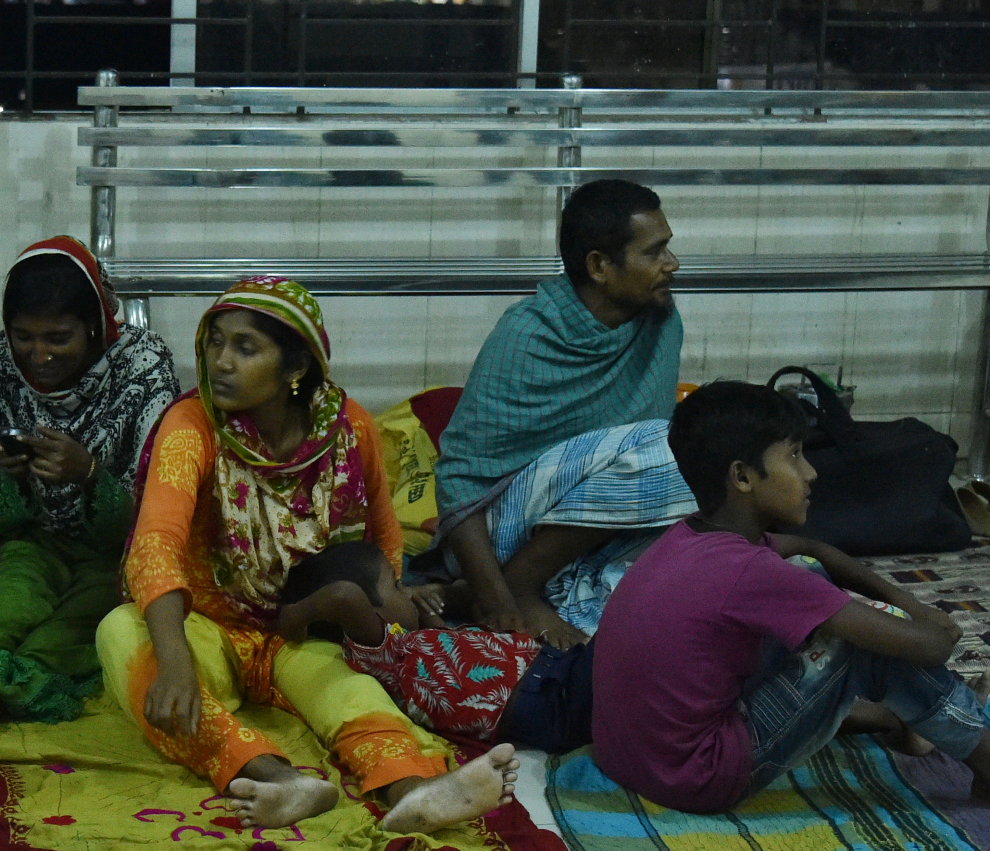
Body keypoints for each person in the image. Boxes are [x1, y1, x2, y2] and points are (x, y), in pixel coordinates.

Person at [96, 276, 520, 833]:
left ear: (296, 367)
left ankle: (417, 790)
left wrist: (367, 613)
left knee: (349, 692)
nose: (221, 362)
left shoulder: (350, 430)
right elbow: (156, 544)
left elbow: (383, 538)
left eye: (246, 348)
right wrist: (175, 660)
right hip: (204, 627)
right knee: (122, 635)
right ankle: (275, 779)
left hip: (298, 627)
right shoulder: (191, 424)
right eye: (215, 342)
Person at [591, 381, 990, 814]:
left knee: (812, 584)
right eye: (795, 455)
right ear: (742, 476)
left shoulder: (689, 537)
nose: (812, 472)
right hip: (700, 777)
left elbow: (813, 550)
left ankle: (902, 718)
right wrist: (931, 627)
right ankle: (982, 754)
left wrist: (912, 606)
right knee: (860, 641)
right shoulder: (750, 570)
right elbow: (929, 649)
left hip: (629, 760)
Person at [0, 236, 179, 731]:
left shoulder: (142, 367)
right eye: (22, 336)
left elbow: (162, 504)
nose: (38, 355)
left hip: (113, 558)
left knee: (60, 642)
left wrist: (88, 474)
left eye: (58, 338)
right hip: (30, 544)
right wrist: (16, 481)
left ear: (95, 327)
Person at [424, 178, 693, 649]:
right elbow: (461, 477)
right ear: (599, 266)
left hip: (602, 521)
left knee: (691, 588)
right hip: (502, 531)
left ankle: (532, 594)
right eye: (655, 252)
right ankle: (518, 587)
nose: (672, 264)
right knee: (666, 448)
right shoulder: (526, 335)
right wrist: (497, 599)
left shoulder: (661, 320)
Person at [277, 539, 541, 745]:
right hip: (536, 695)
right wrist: (295, 616)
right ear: (371, 612)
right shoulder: (383, 652)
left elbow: (451, 644)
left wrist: (423, 611)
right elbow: (343, 596)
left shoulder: (410, 642)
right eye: (397, 585)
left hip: (545, 668)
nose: (409, 591)